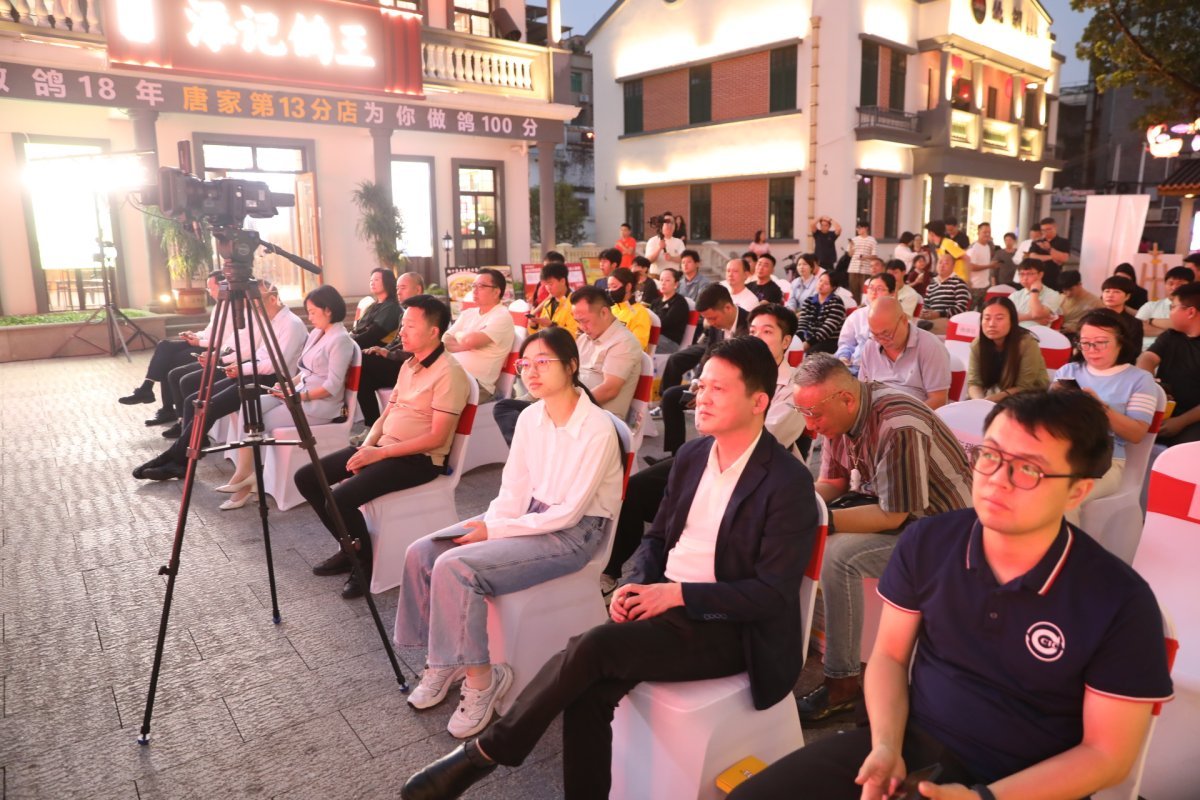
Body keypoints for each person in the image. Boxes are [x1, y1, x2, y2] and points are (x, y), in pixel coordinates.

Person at [401, 336, 819, 800]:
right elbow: (656, 539)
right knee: (589, 690)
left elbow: (771, 594)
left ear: (759, 402)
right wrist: (633, 585)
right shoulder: (694, 456)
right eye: (701, 386)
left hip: (731, 629)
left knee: (592, 647)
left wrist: (676, 595)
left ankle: (486, 752)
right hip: (667, 604)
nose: (701, 397)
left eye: (718, 389)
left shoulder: (787, 482)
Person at [732, 391, 1172, 800]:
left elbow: (1107, 755)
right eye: (990, 456)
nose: (997, 480)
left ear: (1078, 490)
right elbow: (889, 657)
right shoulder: (929, 542)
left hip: (1027, 781)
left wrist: (985, 798)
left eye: (1028, 469)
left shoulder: (1119, 602)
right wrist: (885, 746)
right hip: (910, 745)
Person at [395, 326, 624, 738]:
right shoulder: (532, 416)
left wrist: (495, 531)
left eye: (543, 362)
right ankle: (444, 658)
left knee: (456, 567)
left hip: (574, 533)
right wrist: (493, 524)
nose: (531, 372)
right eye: (525, 364)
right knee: (423, 551)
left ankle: (483, 680)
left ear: (571, 366)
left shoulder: (596, 428)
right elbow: (513, 489)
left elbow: (568, 514)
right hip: (529, 517)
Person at [790, 354, 971, 724]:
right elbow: (834, 481)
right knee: (798, 530)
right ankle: (794, 643)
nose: (810, 426)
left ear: (846, 399)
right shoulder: (842, 419)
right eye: (803, 413)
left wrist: (819, 521)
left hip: (944, 533)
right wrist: (795, 506)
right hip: (898, 515)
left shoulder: (897, 423)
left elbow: (894, 514)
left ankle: (842, 683)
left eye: (814, 414)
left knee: (836, 555)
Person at [605, 305, 809, 587]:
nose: (758, 337)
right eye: (753, 331)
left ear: (786, 341)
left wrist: (723, 417)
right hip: (710, 451)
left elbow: (769, 434)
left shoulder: (794, 387)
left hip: (750, 466)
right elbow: (657, 537)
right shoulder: (726, 369)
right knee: (638, 490)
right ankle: (613, 573)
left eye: (767, 331)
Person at [298, 295, 472, 600]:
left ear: (434, 331)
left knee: (340, 498)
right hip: (384, 448)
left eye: (410, 325)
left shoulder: (449, 373)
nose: (402, 331)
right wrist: (366, 450)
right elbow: (385, 416)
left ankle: (364, 566)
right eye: (403, 324)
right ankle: (350, 547)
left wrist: (378, 454)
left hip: (418, 460)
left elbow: (437, 438)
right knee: (307, 477)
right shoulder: (409, 364)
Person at [132, 280, 307, 481]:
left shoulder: (291, 324)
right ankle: (179, 459)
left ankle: (175, 460)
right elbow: (260, 354)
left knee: (209, 406)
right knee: (195, 401)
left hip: (273, 381)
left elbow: (275, 364)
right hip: (254, 372)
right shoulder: (271, 319)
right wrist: (237, 366)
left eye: (256, 304)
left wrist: (240, 367)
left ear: (273, 299)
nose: (254, 310)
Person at [219, 285, 358, 510]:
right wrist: (285, 385)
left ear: (329, 310)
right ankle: (246, 474)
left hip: (318, 405)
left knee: (259, 421)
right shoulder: (317, 333)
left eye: (313, 312)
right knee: (250, 407)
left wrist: (299, 396)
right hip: (298, 393)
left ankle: (245, 482)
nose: (309, 317)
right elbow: (304, 370)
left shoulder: (340, 339)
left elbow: (332, 387)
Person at [1053, 309, 1157, 524]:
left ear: (1121, 342)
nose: (1092, 350)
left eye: (1100, 342)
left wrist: (1099, 408)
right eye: (1085, 343)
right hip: (1059, 452)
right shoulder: (1068, 371)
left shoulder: (1139, 379)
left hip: (1105, 461)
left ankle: (1066, 546)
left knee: (1062, 499)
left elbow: (1136, 433)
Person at [657, 284, 750, 455]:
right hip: (712, 383)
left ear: (728, 308)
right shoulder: (715, 326)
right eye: (708, 319)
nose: (711, 323)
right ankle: (676, 455)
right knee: (671, 397)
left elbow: (741, 370)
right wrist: (697, 383)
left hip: (735, 388)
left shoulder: (750, 325)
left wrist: (707, 391)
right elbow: (708, 355)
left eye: (713, 318)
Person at [119, 270, 221, 418]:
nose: (209, 292)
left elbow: (225, 339)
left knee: (169, 361)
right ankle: (147, 388)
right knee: (164, 345)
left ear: (223, 286)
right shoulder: (219, 306)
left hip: (213, 347)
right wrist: (194, 335)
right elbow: (210, 331)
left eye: (211, 288)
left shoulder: (234, 308)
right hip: (204, 341)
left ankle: (166, 408)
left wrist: (199, 341)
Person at [357, 271, 426, 427]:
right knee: (362, 377)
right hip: (399, 363)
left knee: (360, 360)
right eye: (397, 288)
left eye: (403, 288)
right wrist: (382, 350)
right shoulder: (406, 312)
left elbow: (414, 350)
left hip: (413, 368)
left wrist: (388, 354)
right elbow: (397, 341)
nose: (398, 292)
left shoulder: (427, 314)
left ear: (418, 290)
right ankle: (372, 426)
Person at [859, 298, 952, 409]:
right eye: (875, 335)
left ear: (903, 320)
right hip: (875, 411)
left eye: (886, 334)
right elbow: (862, 390)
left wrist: (905, 416)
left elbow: (939, 399)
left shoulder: (931, 347)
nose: (882, 341)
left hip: (915, 413)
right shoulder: (871, 345)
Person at [1138, 281, 1200, 445]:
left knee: (1185, 450)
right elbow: (1147, 358)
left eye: (1173, 307)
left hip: (1192, 419)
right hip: (1163, 410)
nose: (1169, 313)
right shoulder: (1172, 335)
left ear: (1191, 312)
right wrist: (1151, 385)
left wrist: (1181, 421)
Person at [443, 268, 515, 404]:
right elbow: (445, 341)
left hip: (477, 385)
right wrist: (467, 344)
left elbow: (469, 340)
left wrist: (460, 336)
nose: (474, 291)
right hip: (454, 375)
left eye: (481, 286)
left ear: (496, 292)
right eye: (473, 286)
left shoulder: (501, 316)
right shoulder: (468, 313)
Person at [967, 296, 1049, 401]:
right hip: (993, 396)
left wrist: (991, 401)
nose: (991, 324)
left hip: (1028, 397)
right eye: (987, 318)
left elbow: (1024, 386)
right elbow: (974, 382)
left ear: (1012, 321)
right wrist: (980, 401)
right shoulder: (978, 344)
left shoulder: (1027, 344)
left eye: (999, 318)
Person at [836, 274, 898, 372]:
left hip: (885, 370)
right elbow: (846, 343)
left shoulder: (898, 318)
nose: (874, 292)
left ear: (892, 293)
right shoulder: (857, 315)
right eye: (871, 288)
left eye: (879, 289)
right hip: (855, 366)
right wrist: (843, 357)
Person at [918, 252, 972, 335]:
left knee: (923, 330)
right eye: (940, 262)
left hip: (949, 321)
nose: (942, 266)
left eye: (946, 263)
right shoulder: (931, 285)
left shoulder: (959, 283)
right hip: (930, 320)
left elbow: (961, 308)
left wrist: (939, 314)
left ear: (953, 266)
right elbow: (926, 305)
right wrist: (924, 312)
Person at [1136, 266, 1194, 339]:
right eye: (1170, 283)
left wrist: (1151, 321)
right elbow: (1137, 328)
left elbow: (1185, 325)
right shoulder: (1150, 306)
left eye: (1181, 284)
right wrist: (1169, 334)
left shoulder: (1194, 307)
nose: (1174, 287)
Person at [797, 272, 846, 355]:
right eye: (820, 281)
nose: (821, 285)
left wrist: (808, 343)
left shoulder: (837, 303)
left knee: (811, 355)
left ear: (833, 287)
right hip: (809, 338)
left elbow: (827, 328)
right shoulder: (809, 300)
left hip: (830, 341)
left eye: (826, 283)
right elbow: (802, 322)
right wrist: (799, 339)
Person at [350, 268, 400, 349]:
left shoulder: (392, 307)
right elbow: (358, 328)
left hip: (372, 350)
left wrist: (348, 344)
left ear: (387, 282)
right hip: (357, 344)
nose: (372, 283)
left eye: (376, 280)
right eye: (371, 280)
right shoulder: (371, 306)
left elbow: (373, 335)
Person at [525, 262, 578, 337]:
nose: (548, 288)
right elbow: (539, 335)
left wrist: (552, 325)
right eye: (546, 285)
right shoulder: (548, 304)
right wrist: (533, 326)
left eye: (550, 284)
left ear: (562, 281)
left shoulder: (574, 303)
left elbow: (575, 334)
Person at [606, 267, 653, 351]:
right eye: (609, 287)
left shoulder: (640, 313)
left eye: (614, 286)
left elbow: (637, 346)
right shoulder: (611, 310)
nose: (610, 291)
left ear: (628, 287)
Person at [1011, 259, 1063, 328]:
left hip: (1037, 333)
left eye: (1029, 274)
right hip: (1016, 332)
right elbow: (1008, 318)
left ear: (1040, 274)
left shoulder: (1053, 294)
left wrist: (1034, 292)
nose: (1025, 278)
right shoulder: (1015, 295)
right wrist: (1033, 318)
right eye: (1022, 274)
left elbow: (1036, 314)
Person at [651, 268, 690, 353]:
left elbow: (663, 324)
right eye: (661, 280)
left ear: (676, 284)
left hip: (669, 342)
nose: (663, 283)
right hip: (654, 336)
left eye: (667, 280)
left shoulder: (679, 302)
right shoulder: (656, 301)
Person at [1027, 216, 1070, 290]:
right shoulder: (1038, 242)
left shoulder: (1063, 242)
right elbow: (1032, 256)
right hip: (1038, 277)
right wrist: (1052, 257)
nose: (1045, 232)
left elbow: (1064, 258)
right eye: (1043, 230)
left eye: (1048, 229)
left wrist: (1049, 249)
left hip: (1055, 278)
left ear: (1055, 227)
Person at [1058, 269, 1101, 335]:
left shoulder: (1095, 302)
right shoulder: (1060, 298)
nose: (1068, 294)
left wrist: (1077, 329)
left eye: (1071, 290)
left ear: (1079, 284)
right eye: (1065, 290)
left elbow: (1101, 324)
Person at [965, 222, 997, 308]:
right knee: (970, 311)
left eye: (989, 232)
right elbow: (971, 266)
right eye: (984, 232)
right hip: (974, 287)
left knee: (983, 312)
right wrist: (990, 266)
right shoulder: (973, 248)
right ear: (978, 233)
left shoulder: (987, 246)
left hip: (985, 285)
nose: (987, 234)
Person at [848, 221, 878, 301]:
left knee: (865, 291)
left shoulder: (872, 240)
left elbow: (875, 256)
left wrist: (865, 257)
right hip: (853, 268)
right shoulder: (854, 240)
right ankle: (855, 306)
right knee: (853, 291)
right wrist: (851, 245)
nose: (857, 229)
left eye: (859, 228)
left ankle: (864, 306)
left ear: (866, 228)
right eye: (857, 228)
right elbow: (850, 254)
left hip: (866, 269)